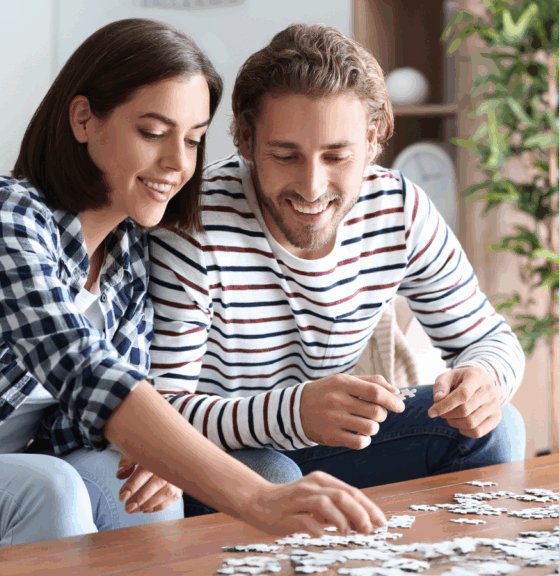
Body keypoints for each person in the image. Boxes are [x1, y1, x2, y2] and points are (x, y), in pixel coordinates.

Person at [0, 19, 386, 576]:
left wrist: (147, 451)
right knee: (53, 492)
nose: (178, 163)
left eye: (194, 139)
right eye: (153, 131)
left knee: (157, 486)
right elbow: (87, 374)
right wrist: (256, 499)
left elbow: (106, 416)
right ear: (84, 118)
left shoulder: (128, 263)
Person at [147, 23, 528, 517]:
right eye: (285, 156)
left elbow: (492, 338)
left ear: (373, 140)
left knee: (500, 425)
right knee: (275, 475)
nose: (311, 186)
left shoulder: (398, 209)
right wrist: (296, 412)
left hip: (324, 448)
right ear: (244, 139)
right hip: (214, 463)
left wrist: (483, 378)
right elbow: (158, 413)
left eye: (337, 156)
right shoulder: (192, 223)